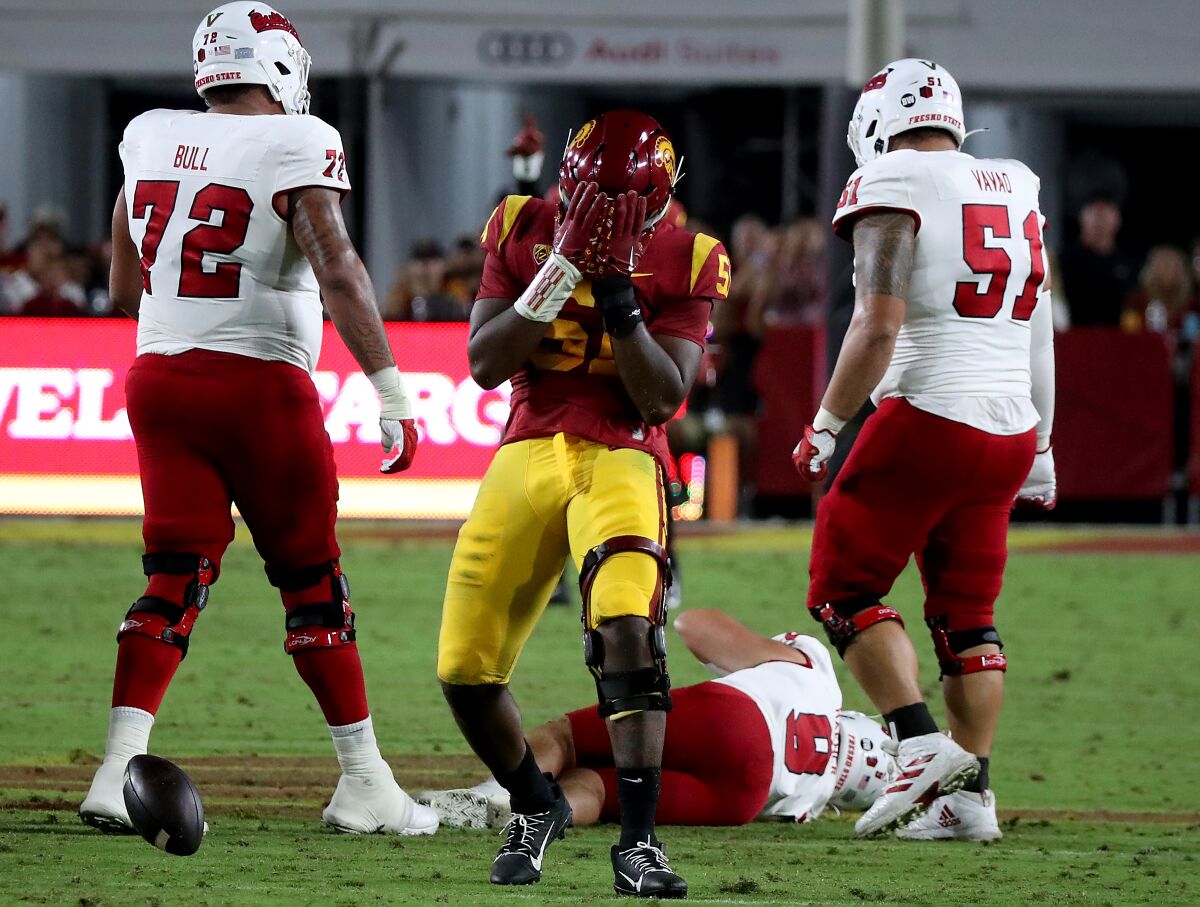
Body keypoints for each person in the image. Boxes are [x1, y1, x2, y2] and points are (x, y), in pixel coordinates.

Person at [78, 1, 436, 839]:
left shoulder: (150, 132)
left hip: (159, 379)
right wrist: (390, 388)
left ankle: (111, 770)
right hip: (257, 385)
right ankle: (364, 782)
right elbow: (338, 267)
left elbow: (124, 280)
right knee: (313, 587)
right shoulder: (297, 142)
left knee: (173, 576)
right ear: (278, 65)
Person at [437, 110, 730, 898]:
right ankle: (535, 804)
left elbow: (662, 396)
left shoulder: (691, 254)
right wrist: (558, 269)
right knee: (464, 667)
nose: (586, 213)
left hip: (623, 452)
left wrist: (615, 291)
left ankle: (639, 843)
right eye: (580, 197)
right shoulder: (519, 223)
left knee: (628, 630)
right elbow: (483, 362)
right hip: (527, 448)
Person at [792, 59, 1056, 842]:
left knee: (841, 586)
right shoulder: (1017, 181)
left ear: (878, 123)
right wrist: (1041, 443)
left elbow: (876, 324)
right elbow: (1038, 325)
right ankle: (971, 797)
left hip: (931, 415)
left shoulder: (893, 180)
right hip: (1008, 427)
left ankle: (917, 743)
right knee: (968, 617)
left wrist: (827, 424)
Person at [421, 609, 892, 830]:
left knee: (564, 739)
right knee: (601, 788)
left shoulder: (818, 676)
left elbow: (692, 624)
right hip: (742, 799)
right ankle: (533, 820)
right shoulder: (809, 804)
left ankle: (482, 802)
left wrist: (750, 659)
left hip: (736, 720)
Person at [1059, 195, 1136, 327]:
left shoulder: (1129, 262)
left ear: (1118, 220)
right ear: (1081, 218)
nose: (1100, 221)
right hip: (1074, 338)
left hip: (1119, 339)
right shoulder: (1064, 261)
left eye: (1106, 213)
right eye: (1095, 213)